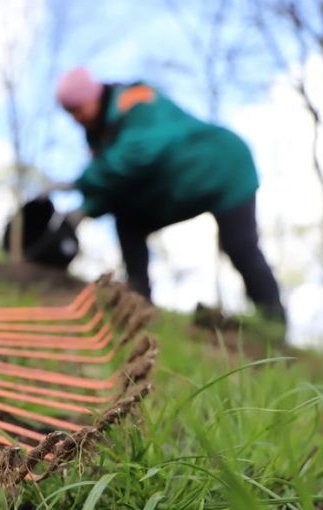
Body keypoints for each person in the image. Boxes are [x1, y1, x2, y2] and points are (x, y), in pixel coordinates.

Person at [55, 67, 285, 322]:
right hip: (179, 186)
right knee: (129, 220)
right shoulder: (100, 134)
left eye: (78, 108)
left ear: (94, 96)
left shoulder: (136, 100)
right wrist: (85, 210)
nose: (76, 118)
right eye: (70, 113)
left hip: (224, 168)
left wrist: (80, 182)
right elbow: (118, 186)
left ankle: (273, 321)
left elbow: (140, 154)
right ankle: (138, 303)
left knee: (240, 245)